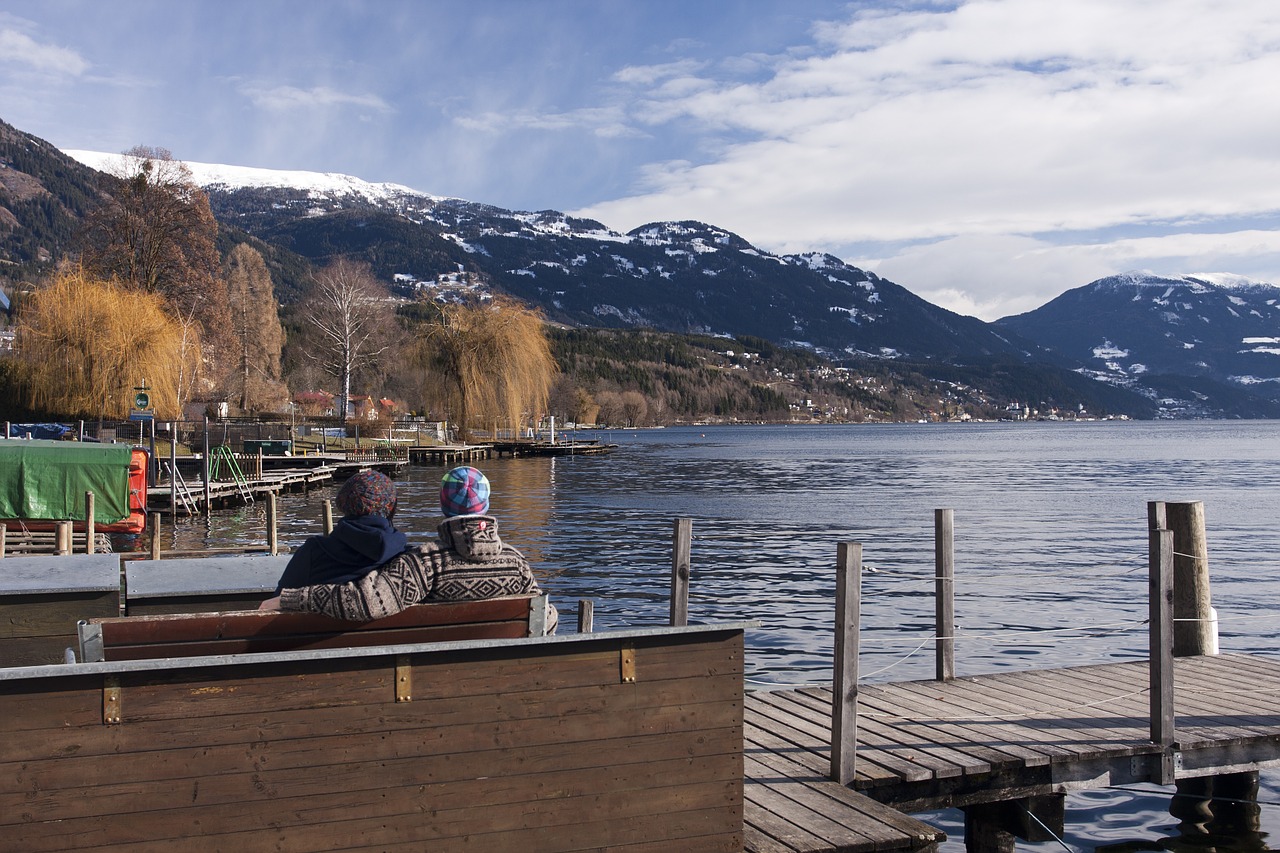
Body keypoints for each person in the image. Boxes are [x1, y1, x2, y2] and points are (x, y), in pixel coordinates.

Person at [263, 466, 553, 628]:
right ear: (487, 506)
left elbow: (367, 602)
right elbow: (546, 618)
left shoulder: (425, 564)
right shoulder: (517, 563)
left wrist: (291, 599)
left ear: (443, 505)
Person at [268, 468, 406, 595]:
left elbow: (277, 604)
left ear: (344, 504)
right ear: (392, 509)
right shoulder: (408, 560)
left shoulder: (313, 554)